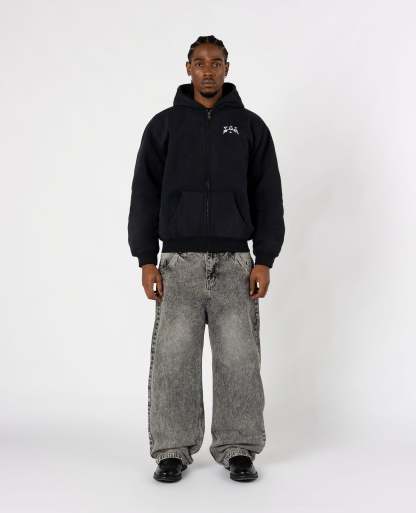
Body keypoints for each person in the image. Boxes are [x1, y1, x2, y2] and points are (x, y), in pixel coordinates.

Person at [127, 35, 285, 482]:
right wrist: (146, 258)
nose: (208, 70)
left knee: (239, 358)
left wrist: (265, 258)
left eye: (216, 63)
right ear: (188, 68)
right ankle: (172, 450)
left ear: (227, 68)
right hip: (178, 262)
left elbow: (268, 194)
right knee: (174, 358)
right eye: (200, 63)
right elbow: (144, 194)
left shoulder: (250, 127)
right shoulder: (163, 127)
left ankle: (238, 447)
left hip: (236, 262)